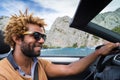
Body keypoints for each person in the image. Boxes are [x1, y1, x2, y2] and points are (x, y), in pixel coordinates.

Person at [0, 10, 120, 80]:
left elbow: (70, 69)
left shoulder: (39, 63)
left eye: (43, 36)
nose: (42, 41)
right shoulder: (3, 72)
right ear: (17, 38)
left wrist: (98, 52)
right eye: (36, 35)